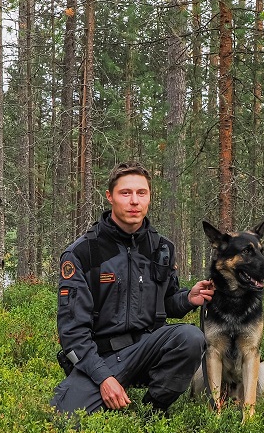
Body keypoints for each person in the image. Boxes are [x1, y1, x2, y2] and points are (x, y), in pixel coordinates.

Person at [51, 162, 214, 416]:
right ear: (110, 197)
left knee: (191, 338)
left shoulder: (162, 248)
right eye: (125, 193)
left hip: (148, 350)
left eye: (141, 193)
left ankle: (154, 409)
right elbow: (72, 332)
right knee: (63, 419)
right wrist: (104, 378)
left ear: (150, 197)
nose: (134, 201)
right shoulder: (83, 253)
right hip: (102, 357)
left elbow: (167, 301)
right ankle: (105, 390)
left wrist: (188, 299)